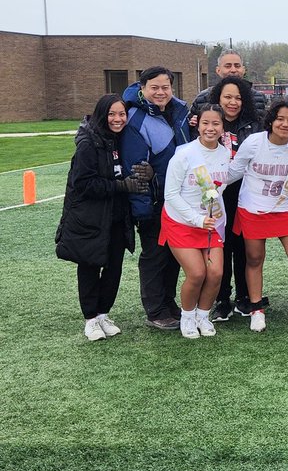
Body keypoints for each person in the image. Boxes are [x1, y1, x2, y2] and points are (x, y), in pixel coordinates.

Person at [55, 94, 146, 341]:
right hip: (91, 218)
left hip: (117, 217)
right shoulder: (88, 143)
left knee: (114, 267)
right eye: (112, 114)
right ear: (101, 115)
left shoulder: (120, 140)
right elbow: (83, 184)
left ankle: (104, 314)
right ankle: (90, 319)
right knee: (90, 266)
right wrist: (120, 186)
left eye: (122, 114)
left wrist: (143, 174)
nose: (118, 119)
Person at [227, 101, 288, 331]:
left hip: (285, 208)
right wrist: (209, 182)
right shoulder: (254, 142)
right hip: (253, 208)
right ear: (270, 120)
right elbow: (233, 172)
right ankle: (256, 310)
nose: (285, 124)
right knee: (255, 258)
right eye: (280, 118)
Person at [120, 66, 192, 329]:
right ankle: (155, 310)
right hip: (154, 201)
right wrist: (142, 209)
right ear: (142, 89)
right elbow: (135, 168)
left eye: (165, 87)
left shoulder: (181, 111)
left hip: (179, 198)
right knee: (155, 254)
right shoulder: (135, 118)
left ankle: (168, 303)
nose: (160, 92)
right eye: (154, 88)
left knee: (174, 254)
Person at [161, 105, 231, 339]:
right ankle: (188, 317)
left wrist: (209, 219)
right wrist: (197, 219)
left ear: (223, 127)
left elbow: (220, 189)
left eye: (216, 124)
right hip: (181, 221)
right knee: (197, 273)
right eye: (205, 123)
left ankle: (203, 315)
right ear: (197, 125)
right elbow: (170, 195)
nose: (210, 128)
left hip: (211, 223)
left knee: (216, 273)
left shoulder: (225, 154)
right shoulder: (184, 154)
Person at [205, 76, 262, 321]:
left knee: (243, 246)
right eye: (227, 97)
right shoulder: (209, 123)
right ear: (218, 98)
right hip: (217, 194)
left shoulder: (254, 125)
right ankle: (222, 299)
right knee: (221, 245)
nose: (233, 102)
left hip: (246, 193)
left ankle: (244, 296)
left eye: (238, 97)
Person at [190, 50, 267, 121]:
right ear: (218, 70)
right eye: (228, 66)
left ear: (243, 70)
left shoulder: (258, 98)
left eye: (237, 66)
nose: (233, 70)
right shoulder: (202, 99)